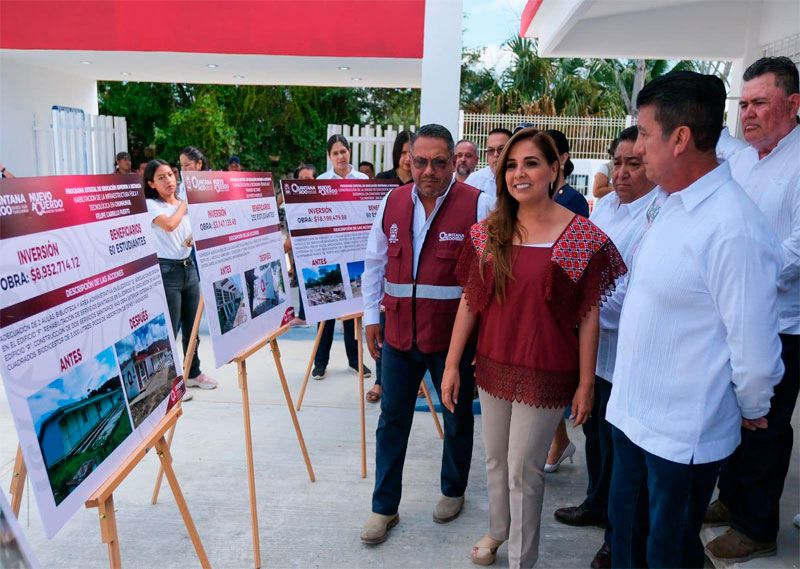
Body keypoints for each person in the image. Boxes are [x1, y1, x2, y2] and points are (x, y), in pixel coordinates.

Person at [606, 71, 784, 569]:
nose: (637, 148)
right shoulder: (668, 204)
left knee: (667, 554)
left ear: (680, 138)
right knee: (626, 539)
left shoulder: (733, 228)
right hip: (631, 414)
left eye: (643, 133)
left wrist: (751, 404)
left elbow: (753, 348)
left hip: (682, 435)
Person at [441, 127, 625, 568]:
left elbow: (588, 315)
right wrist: (452, 364)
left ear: (555, 169)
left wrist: (585, 383)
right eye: (511, 165)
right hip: (492, 365)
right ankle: (497, 530)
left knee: (525, 468)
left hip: (546, 369)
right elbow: (470, 300)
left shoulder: (580, 236)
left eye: (531, 163)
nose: (519, 173)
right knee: (496, 461)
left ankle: (523, 560)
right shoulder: (491, 232)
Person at [360, 124, 493, 544]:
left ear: (454, 161)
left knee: (456, 420)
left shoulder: (477, 205)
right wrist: (370, 317)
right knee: (391, 422)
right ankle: (384, 508)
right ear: (408, 160)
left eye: (439, 162)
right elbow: (373, 263)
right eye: (421, 161)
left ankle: (453, 490)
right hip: (398, 337)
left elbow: (489, 278)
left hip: (451, 342)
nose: (429, 170)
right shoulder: (392, 202)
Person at [707, 56, 800, 562]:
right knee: (735, 417)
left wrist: (745, 280)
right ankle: (732, 499)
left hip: (785, 324)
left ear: (793, 104)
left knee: (766, 425)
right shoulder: (741, 159)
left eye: (760, 102)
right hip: (733, 316)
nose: (748, 114)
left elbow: (797, 250)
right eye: (743, 104)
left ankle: (757, 526)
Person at [553, 125, 658, 569]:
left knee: (623, 458)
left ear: (650, 165)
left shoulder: (659, 214)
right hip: (594, 350)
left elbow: (627, 295)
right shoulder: (605, 208)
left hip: (632, 357)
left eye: (633, 163)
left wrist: (585, 301)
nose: (622, 172)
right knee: (593, 436)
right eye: (617, 162)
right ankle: (596, 504)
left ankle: (618, 541)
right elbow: (569, 265)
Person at [143, 159, 218, 396]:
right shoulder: (152, 205)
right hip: (167, 272)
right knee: (170, 330)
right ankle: (166, 386)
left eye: (171, 175)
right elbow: (170, 225)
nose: (169, 181)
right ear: (151, 184)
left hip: (189, 268)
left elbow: (191, 229)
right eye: (161, 177)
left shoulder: (180, 203)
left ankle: (192, 373)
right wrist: (186, 204)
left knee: (192, 327)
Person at [540, 128, 590, 473]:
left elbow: (571, 263)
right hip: (537, 302)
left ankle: (558, 443)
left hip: (558, 305)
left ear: (561, 160)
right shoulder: (539, 197)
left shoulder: (571, 201)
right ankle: (558, 442)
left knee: (549, 382)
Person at [313, 135, 371, 380]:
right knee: (326, 307)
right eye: (335, 153)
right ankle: (320, 362)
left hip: (356, 250)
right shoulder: (321, 182)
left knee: (353, 310)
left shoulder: (362, 180)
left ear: (349, 152)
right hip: (330, 250)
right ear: (329, 156)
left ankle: (355, 360)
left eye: (343, 151)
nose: (340, 156)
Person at [286, 164, 318, 328]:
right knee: (301, 278)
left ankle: (308, 315)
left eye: (308, 179)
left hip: (316, 248)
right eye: (300, 180)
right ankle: (304, 315)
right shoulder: (293, 201)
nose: (304, 183)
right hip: (299, 250)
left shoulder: (320, 200)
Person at [465, 128, 511, 196]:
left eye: (501, 149)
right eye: (491, 150)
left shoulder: (521, 178)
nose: (496, 155)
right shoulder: (473, 182)